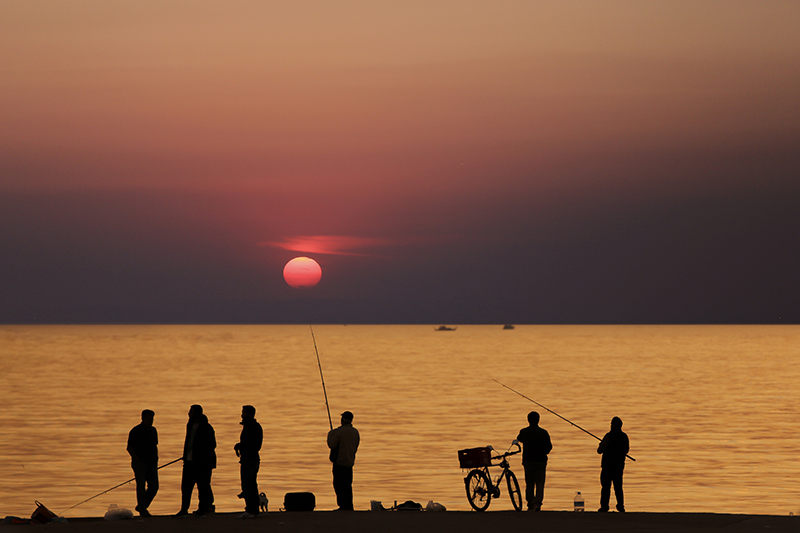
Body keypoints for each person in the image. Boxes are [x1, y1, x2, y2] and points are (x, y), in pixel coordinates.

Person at [175, 405, 217, 517]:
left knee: (202, 487)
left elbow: (212, 445)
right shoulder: (189, 425)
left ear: (197, 414)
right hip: (188, 462)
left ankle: (202, 509)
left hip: (201, 463)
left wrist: (201, 456)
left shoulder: (207, 427)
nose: (189, 414)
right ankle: (184, 510)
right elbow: (188, 441)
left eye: (191, 412)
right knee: (186, 487)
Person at [516, 411, 553, 511]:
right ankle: (538, 504)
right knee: (540, 483)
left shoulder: (524, 431)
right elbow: (549, 447)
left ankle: (530, 503)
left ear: (528, 420)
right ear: (538, 420)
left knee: (529, 483)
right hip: (541, 461)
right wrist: (544, 452)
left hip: (528, 461)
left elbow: (519, 438)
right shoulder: (543, 432)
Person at [127, 409, 159, 517]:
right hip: (140, 463)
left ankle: (142, 505)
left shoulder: (153, 430)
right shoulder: (135, 431)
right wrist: (137, 459)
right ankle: (143, 510)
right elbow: (129, 447)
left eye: (151, 419)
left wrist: (155, 459)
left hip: (152, 463)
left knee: (154, 487)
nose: (150, 421)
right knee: (141, 487)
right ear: (143, 418)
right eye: (148, 419)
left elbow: (155, 446)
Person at [327, 411, 360, 511]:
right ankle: (349, 505)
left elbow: (331, 444)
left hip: (339, 463)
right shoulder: (355, 432)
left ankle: (343, 506)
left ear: (343, 419)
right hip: (349, 463)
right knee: (347, 486)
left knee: (339, 485)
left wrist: (331, 433)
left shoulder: (338, 432)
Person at [234, 405, 263, 519]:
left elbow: (255, 445)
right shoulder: (249, 426)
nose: (242, 415)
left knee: (249, 485)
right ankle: (252, 509)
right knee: (249, 484)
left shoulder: (253, 427)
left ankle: (251, 509)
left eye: (244, 413)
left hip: (250, 460)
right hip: (247, 459)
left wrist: (241, 446)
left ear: (249, 414)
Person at [597, 416, 630, 512]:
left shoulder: (608, 436)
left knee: (606, 487)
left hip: (607, 466)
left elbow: (600, 450)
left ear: (613, 425)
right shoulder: (624, 437)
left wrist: (601, 444)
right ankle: (620, 506)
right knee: (618, 488)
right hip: (619, 467)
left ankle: (604, 506)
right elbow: (626, 450)